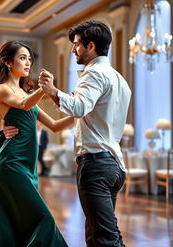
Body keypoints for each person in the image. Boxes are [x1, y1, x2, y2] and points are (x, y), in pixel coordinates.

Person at [0, 40, 73, 247]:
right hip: (10, 164)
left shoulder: (26, 93)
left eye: (30, 59)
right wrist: (45, 88)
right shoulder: (2, 90)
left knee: (17, 223)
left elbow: (56, 126)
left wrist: (81, 112)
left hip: (28, 166)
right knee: (44, 218)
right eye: (22, 58)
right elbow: (23, 105)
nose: (28, 62)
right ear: (7, 62)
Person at [38, 20, 131, 247]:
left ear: (90, 46)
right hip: (114, 165)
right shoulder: (120, 80)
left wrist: (52, 91)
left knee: (103, 238)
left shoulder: (94, 74)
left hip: (96, 165)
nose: (72, 50)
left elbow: (79, 107)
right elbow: (87, 113)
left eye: (76, 44)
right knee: (100, 234)